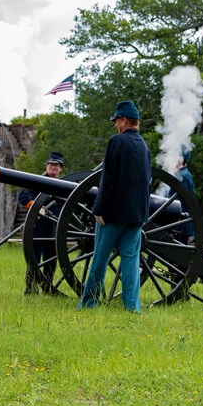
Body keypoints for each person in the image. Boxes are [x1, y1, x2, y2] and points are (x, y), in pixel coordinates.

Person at [78, 100, 151, 313]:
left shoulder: (117, 142)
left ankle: (90, 302)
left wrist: (99, 210)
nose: (115, 125)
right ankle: (132, 307)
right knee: (130, 260)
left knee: (99, 258)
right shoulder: (144, 147)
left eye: (116, 120)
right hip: (137, 214)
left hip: (114, 213)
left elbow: (107, 180)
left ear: (124, 120)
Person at [18, 151, 64, 294]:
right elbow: (24, 196)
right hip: (38, 227)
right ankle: (31, 288)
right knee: (35, 259)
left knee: (51, 261)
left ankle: (47, 288)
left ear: (61, 168)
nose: (53, 167)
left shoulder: (63, 184)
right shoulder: (38, 180)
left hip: (54, 229)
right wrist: (36, 206)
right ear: (46, 165)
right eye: (51, 164)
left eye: (56, 165)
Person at [171, 149, 195, 244]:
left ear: (180, 159)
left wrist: (189, 232)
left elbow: (187, 204)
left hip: (179, 226)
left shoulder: (184, 176)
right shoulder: (180, 175)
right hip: (176, 224)